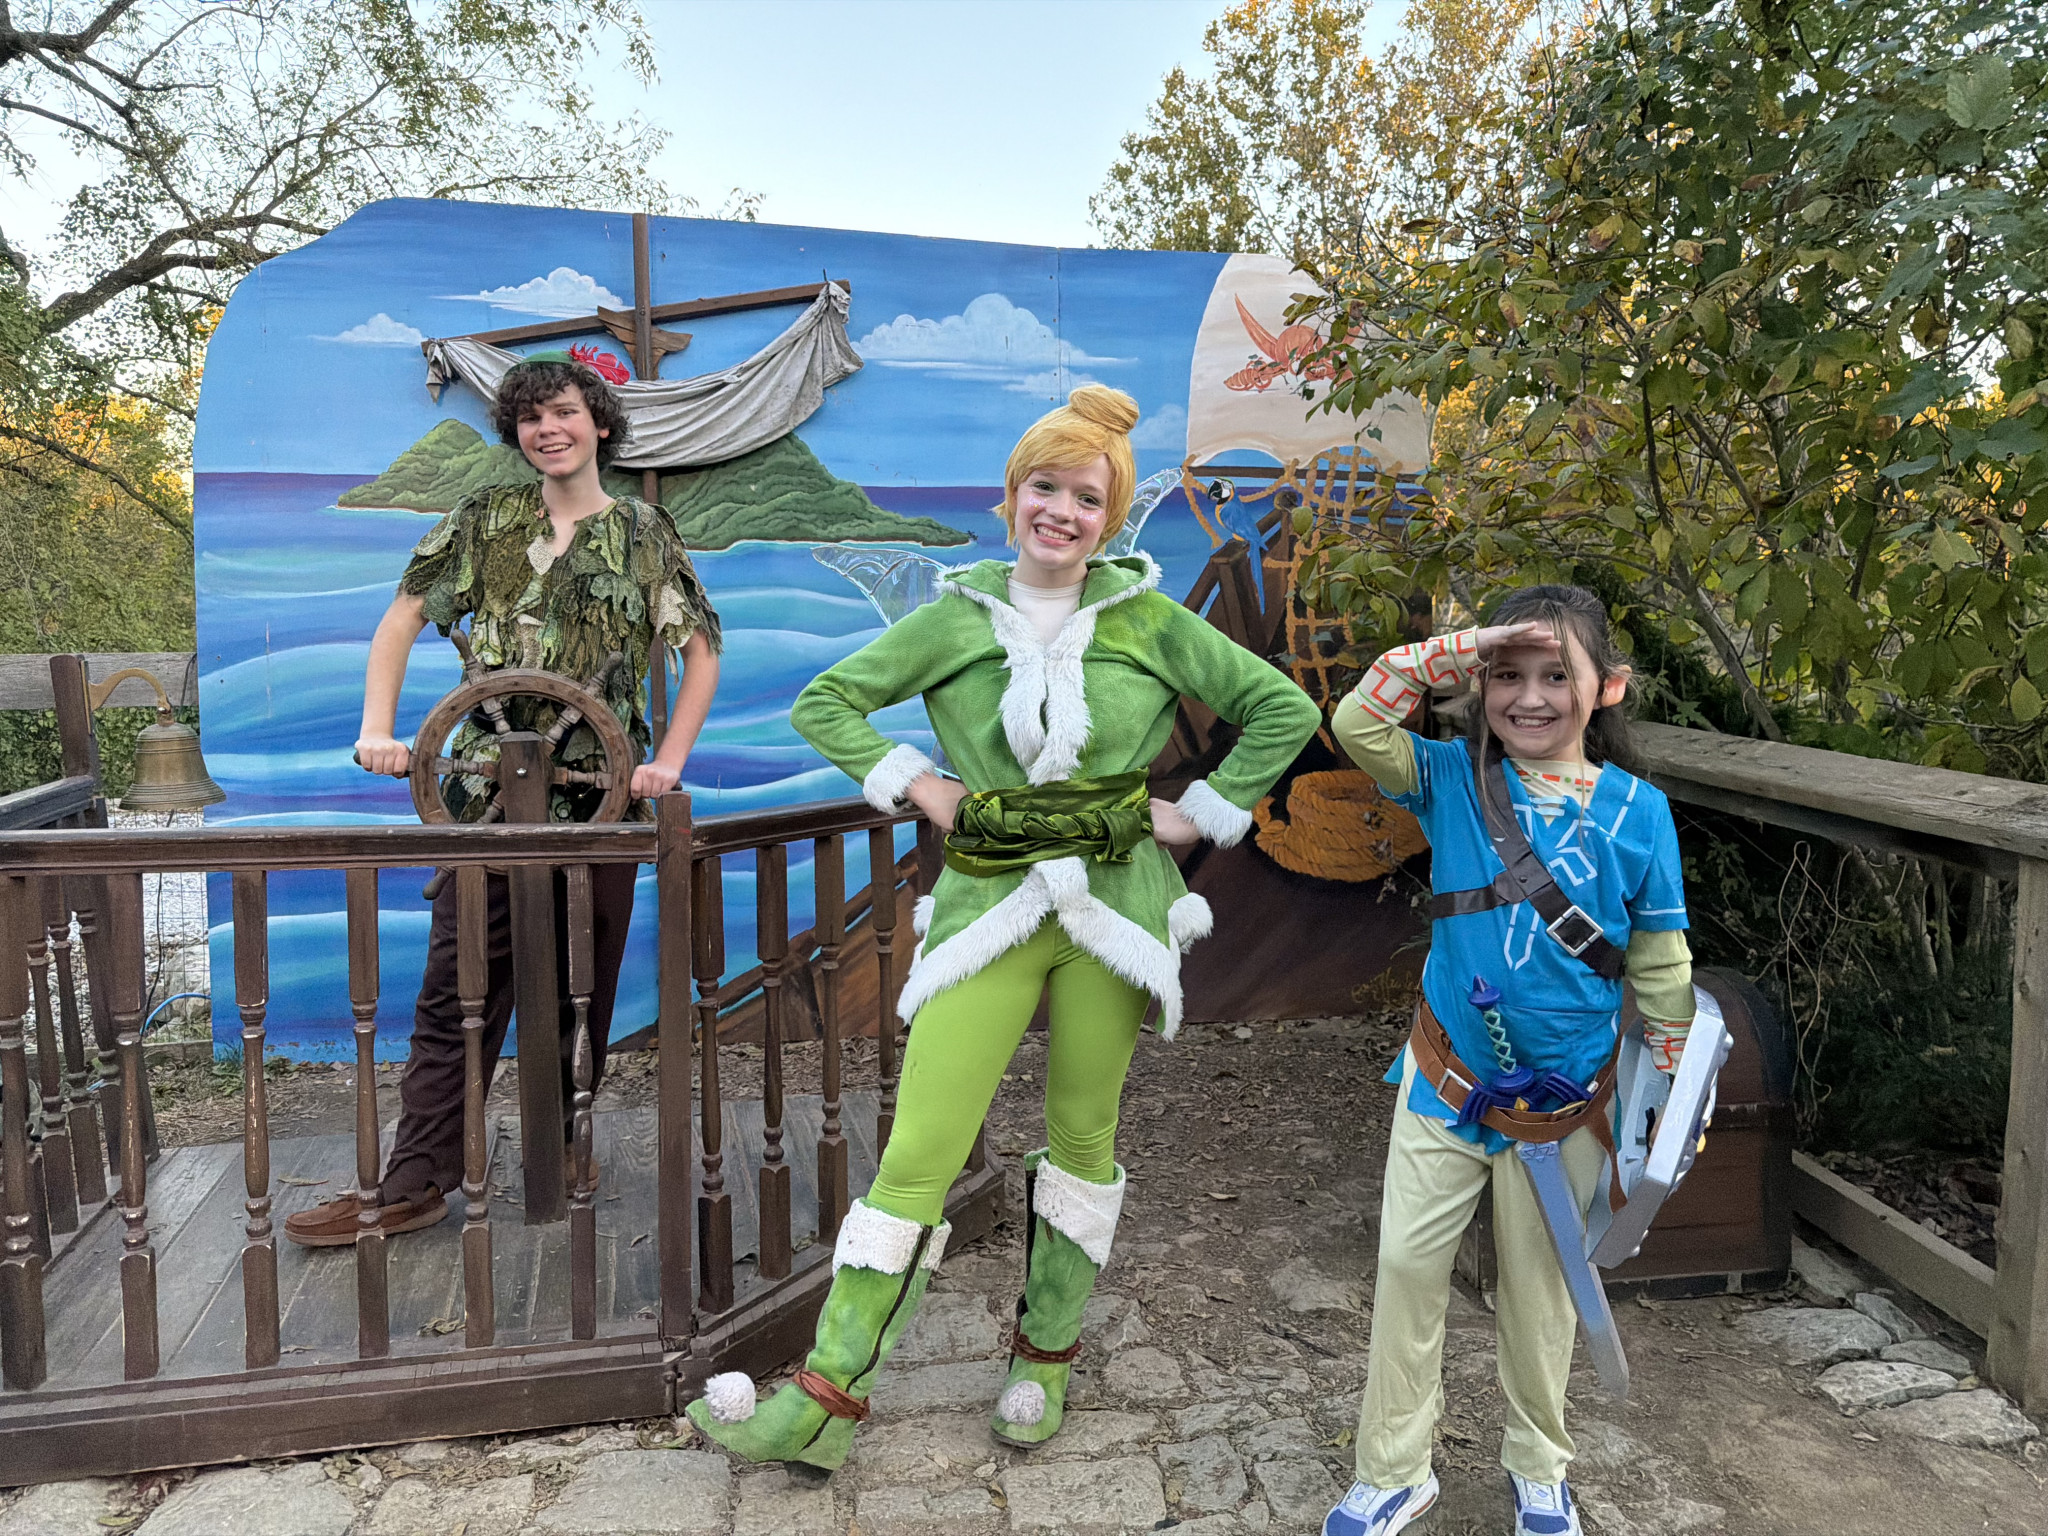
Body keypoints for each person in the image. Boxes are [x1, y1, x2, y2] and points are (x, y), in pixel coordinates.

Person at [685, 384, 1321, 1470]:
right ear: (1012, 494)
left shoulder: (1149, 620)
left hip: (1113, 914)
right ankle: (827, 1400)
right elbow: (825, 703)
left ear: (1108, 517)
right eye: (1046, 487)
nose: (1062, 511)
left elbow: (1283, 708)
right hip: (988, 906)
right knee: (919, 1149)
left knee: (1082, 1137)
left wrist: (1198, 812)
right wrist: (920, 783)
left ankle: (1044, 1360)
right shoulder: (954, 616)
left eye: (1087, 498)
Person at [285, 351, 721, 1247]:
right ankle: (417, 1179)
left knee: (580, 994)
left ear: (600, 423)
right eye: (530, 418)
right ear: (516, 434)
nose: (547, 430)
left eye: (563, 412)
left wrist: (667, 763)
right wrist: (379, 729)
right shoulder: (482, 519)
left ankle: (566, 1145)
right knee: (456, 993)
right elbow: (403, 618)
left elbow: (700, 652)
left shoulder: (644, 533)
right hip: (481, 803)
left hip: (598, 803)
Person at [1320, 585, 1695, 1536]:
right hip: (1445, 1083)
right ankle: (1394, 1468)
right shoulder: (1449, 779)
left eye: (1555, 675)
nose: (1529, 698)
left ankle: (1539, 1467)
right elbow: (1358, 719)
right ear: (1479, 682)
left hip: (1569, 1104)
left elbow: (1660, 958)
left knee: (1542, 1292)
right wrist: (1466, 644)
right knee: (1407, 1265)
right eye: (1507, 675)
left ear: (1608, 688)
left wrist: (1670, 1082)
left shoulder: (1641, 812)